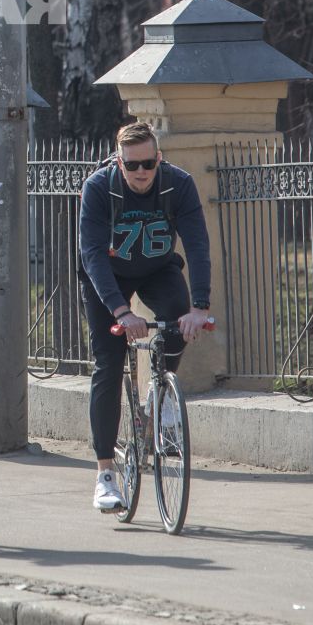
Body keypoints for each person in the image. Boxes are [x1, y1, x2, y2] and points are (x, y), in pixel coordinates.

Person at [77, 120, 214, 512]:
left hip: (156, 268)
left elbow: (198, 244)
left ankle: (159, 394)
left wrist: (199, 308)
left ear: (159, 158)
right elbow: (91, 256)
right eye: (132, 165)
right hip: (107, 276)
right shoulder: (99, 188)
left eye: (148, 164)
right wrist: (121, 310)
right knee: (108, 362)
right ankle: (105, 475)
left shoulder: (178, 184)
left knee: (176, 312)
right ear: (119, 163)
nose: (141, 173)